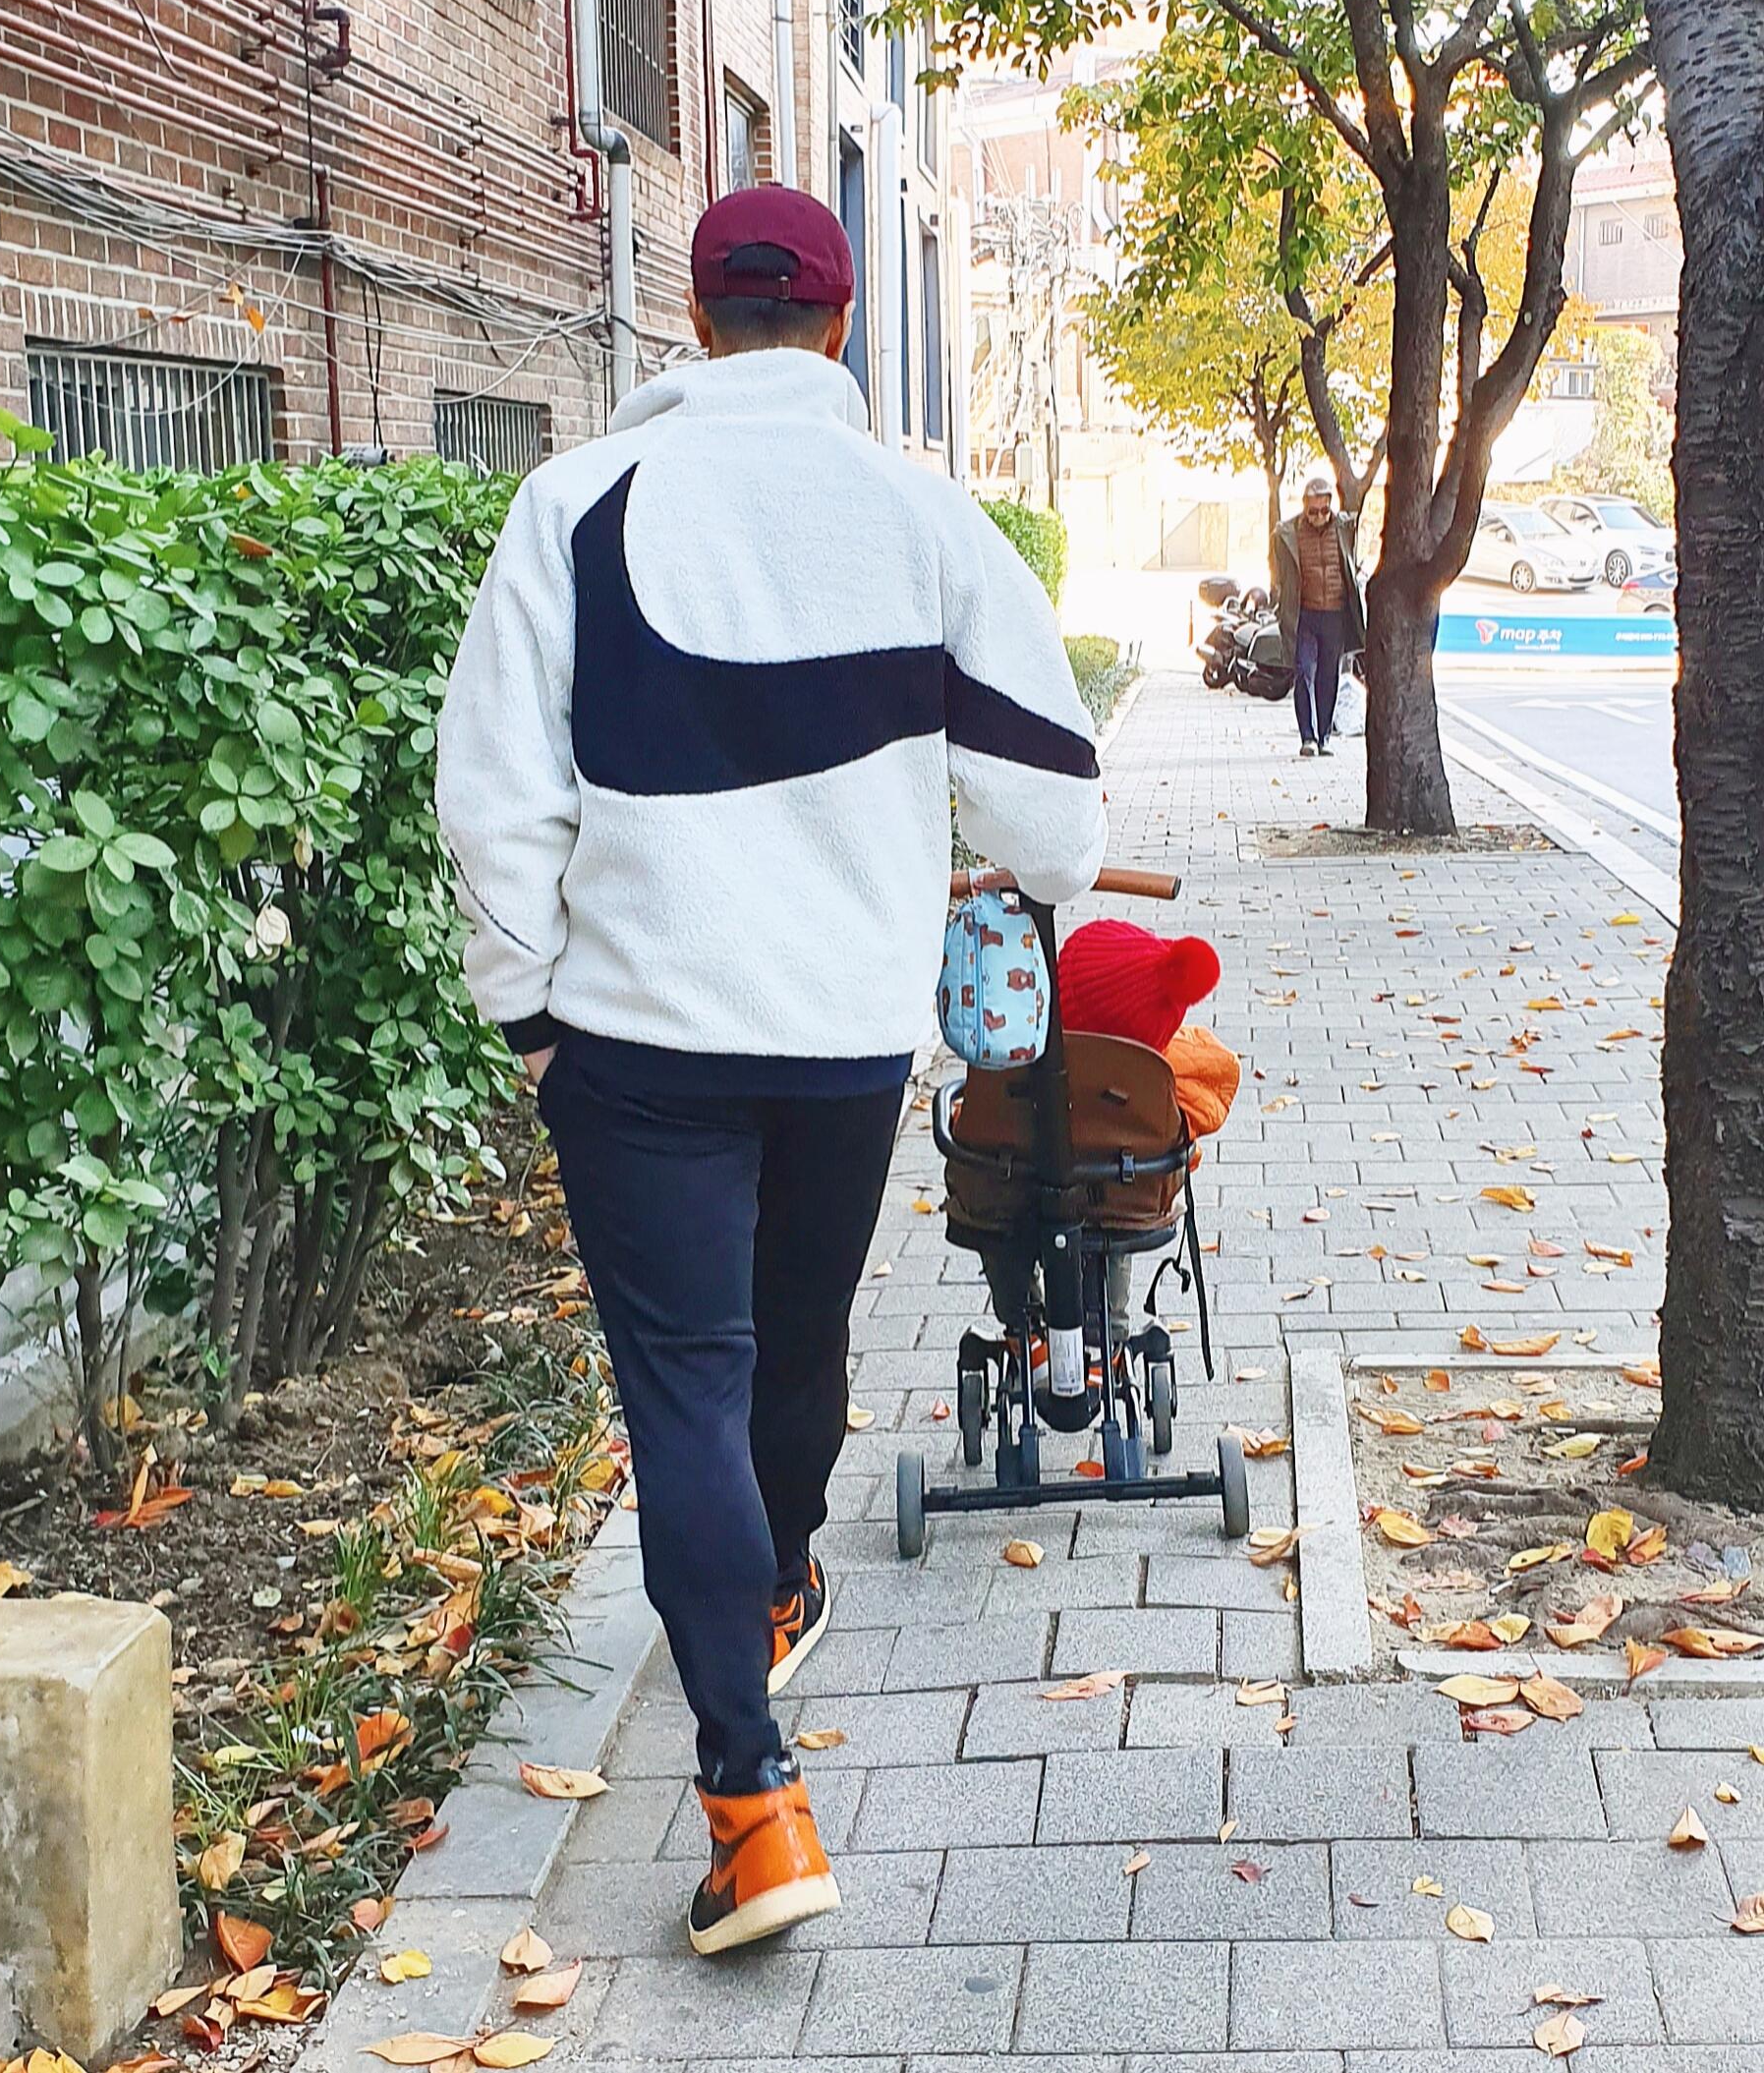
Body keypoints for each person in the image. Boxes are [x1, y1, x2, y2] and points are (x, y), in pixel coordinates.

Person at [434, 185, 1107, 1956]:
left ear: (692, 315)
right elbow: (1053, 807)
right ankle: (777, 1587)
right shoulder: (922, 515)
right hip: (836, 1040)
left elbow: (492, 795)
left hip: (635, 1040)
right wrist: (992, 877)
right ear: (842, 320)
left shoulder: (574, 503)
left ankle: (753, 1803)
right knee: (794, 1346)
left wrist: (528, 1014)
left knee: (689, 1386)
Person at [1273, 476, 1365, 758]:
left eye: (1324, 510)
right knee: (1303, 672)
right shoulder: (1289, 533)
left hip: (1335, 614)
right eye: (1313, 511)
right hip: (1304, 614)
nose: (1319, 517)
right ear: (1304, 506)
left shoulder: (1343, 528)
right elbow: (1280, 572)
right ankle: (1308, 737)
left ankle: (1324, 735)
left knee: (1328, 677)